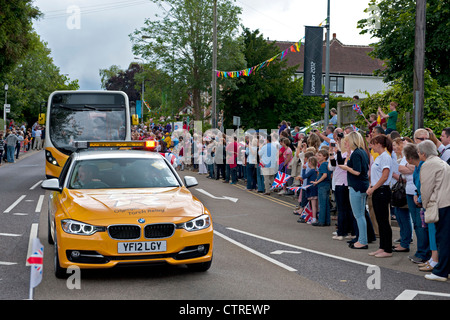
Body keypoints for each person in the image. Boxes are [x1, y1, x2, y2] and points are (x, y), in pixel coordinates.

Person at [418, 140, 450, 282]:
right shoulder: (442, 162)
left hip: (440, 204)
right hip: (447, 202)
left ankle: (440, 272)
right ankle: (445, 269)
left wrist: (425, 206)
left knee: (442, 239)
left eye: (419, 153)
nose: (418, 155)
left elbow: (425, 189)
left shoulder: (428, 164)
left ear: (423, 153)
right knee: (446, 238)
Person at [339, 131, 370, 249]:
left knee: (359, 215)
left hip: (356, 186)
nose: (346, 143)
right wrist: (347, 156)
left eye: (347, 141)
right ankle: (362, 238)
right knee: (360, 214)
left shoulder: (357, 153)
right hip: (362, 185)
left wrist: (346, 167)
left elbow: (357, 171)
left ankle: (362, 240)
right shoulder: (362, 152)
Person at [366, 135, 394, 258]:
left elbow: (384, 176)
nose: (372, 146)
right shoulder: (379, 157)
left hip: (382, 190)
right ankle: (382, 246)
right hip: (377, 189)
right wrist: (371, 185)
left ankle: (387, 249)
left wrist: (374, 188)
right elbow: (376, 175)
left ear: (379, 144)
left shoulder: (386, 157)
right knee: (379, 220)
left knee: (383, 221)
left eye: (373, 143)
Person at [329, 135, 353, 240]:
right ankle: (345, 230)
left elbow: (341, 164)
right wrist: (331, 152)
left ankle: (342, 232)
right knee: (343, 209)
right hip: (339, 183)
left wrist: (337, 152)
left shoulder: (348, 154)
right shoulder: (343, 153)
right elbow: (333, 165)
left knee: (344, 209)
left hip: (344, 184)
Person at [392, 137, 414, 253]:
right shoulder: (400, 158)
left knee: (404, 217)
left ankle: (405, 242)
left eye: (396, 145)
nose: (394, 148)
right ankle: (404, 240)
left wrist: (399, 171)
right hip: (402, 190)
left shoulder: (406, 158)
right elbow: (403, 169)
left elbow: (407, 171)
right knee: (400, 216)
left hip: (405, 190)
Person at [311, 149, 332, 226]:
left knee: (322, 204)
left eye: (320, 156)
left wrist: (317, 182)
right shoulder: (327, 164)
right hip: (326, 185)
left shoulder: (323, 164)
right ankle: (327, 221)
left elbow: (324, 175)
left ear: (325, 156)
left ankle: (321, 221)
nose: (318, 157)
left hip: (322, 186)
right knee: (326, 203)